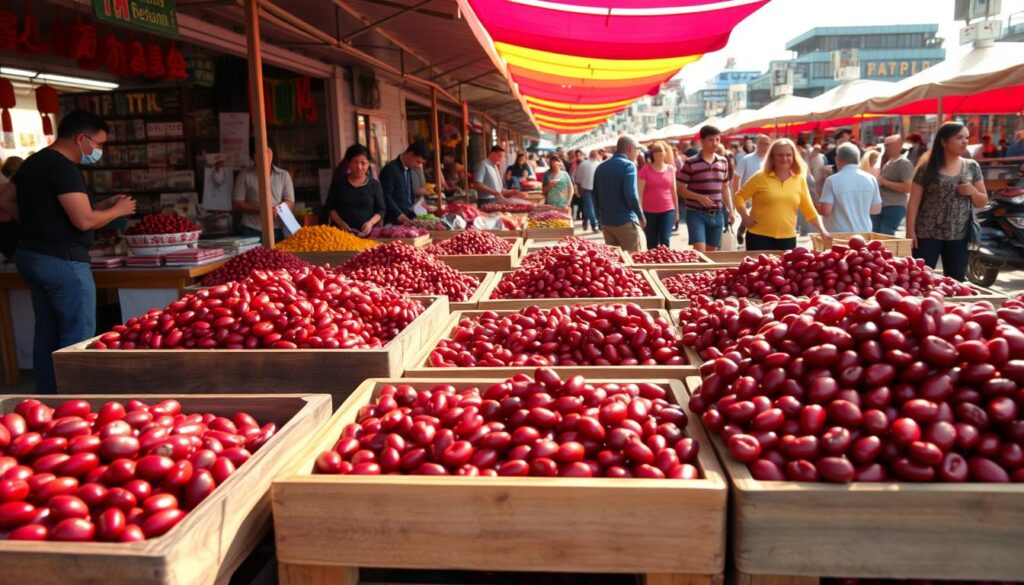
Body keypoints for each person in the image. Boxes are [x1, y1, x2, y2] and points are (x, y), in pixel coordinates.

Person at [0, 110, 136, 392]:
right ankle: (75, 400)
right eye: (98, 145)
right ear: (80, 138)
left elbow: (5, 200)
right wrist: (117, 210)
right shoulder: (63, 168)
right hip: (63, 261)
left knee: (47, 332)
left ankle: (48, 396)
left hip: (30, 255)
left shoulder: (32, 162)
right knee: (77, 335)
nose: (98, 151)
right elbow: (83, 220)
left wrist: (39, 223)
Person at [906, 121, 988, 282]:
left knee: (956, 282)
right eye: (959, 137)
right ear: (943, 142)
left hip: (959, 234)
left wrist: (972, 191)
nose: (965, 141)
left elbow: (982, 202)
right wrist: (910, 232)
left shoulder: (972, 167)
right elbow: (913, 203)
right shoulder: (927, 168)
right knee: (921, 279)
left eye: (966, 137)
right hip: (926, 233)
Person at [734, 138, 830, 251]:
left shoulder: (799, 179)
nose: (784, 158)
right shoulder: (760, 177)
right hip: (758, 237)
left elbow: (809, 209)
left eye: (788, 155)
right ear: (772, 157)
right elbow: (739, 196)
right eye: (780, 155)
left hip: (788, 239)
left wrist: (822, 229)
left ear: (793, 157)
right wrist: (744, 216)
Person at [678, 125, 734, 252]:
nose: (715, 143)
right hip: (696, 213)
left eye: (717, 140)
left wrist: (731, 210)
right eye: (711, 140)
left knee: (711, 254)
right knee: (700, 252)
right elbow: (680, 189)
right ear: (701, 142)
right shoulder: (690, 162)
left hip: (717, 214)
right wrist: (698, 197)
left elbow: (725, 188)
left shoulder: (723, 161)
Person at [233, 138, 295, 241]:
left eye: (267, 151)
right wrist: (262, 210)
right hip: (250, 229)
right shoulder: (244, 175)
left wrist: (276, 209)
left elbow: (290, 201)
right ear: (254, 156)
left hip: (276, 229)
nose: (265, 156)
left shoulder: (283, 175)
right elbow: (237, 203)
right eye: (260, 152)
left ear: (272, 153)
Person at [593, 136, 646, 252]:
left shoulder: (601, 167)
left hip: (607, 222)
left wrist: (600, 216)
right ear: (630, 148)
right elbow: (631, 195)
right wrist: (641, 216)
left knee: (615, 263)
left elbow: (595, 195)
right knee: (634, 261)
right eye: (637, 150)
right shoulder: (628, 166)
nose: (637, 154)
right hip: (625, 221)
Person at [817, 143, 881, 234]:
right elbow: (876, 210)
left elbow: (826, 211)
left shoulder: (832, 180)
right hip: (864, 233)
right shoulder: (871, 179)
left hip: (838, 234)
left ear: (838, 159)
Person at [326, 144, 385, 236]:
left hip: (368, 235)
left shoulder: (375, 185)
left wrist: (370, 223)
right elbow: (330, 208)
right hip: (341, 235)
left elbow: (381, 210)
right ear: (349, 162)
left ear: (368, 163)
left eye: (363, 163)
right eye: (355, 162)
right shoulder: (339, 183)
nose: (359, 167)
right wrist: (341, 223)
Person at [867, 134, 914, 235]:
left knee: (885, 236)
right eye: (885, 145)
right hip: (882, 205)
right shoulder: (889, 162)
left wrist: (884, 182)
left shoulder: (904, 163)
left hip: (894, 206)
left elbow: (908, 187)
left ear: (899, 145)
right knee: (876, 235)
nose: (886, 148)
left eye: (889, 145)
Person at [638, 141, 678, 249]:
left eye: (660, 151)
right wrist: (640, 213)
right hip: (649, 211)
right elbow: (640, 192)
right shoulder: (645, 170)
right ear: (652, 154)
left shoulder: (670, 169)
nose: (658, 154)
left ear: (665, 153)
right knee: (651, 243)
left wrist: (677, 212)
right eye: (655, 152)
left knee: (665, 240)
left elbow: (674, 191)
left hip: (667, 210)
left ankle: (665, 264)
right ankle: (653, 265)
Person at [732, 134, 771, 245]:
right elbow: (736, 178)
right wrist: (737, 195)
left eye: (767, 143)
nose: (765, 146)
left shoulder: (771, 161)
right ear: (757, 144)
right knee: (749, 217)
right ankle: (743, 232)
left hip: (765, 197)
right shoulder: (746, 159)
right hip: (747, 196)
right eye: (762, 143)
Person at [380, 141, 429, 224]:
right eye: (418, 161)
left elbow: (408, 195)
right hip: (393, 221)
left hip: (407, 218)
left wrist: (417, 207)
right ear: (410, 154)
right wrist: (399, 215)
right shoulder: (390, 169)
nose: (419, 166)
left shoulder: (408, 169)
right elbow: (385, 196)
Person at [573, 150, 601, 231]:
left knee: (588, 206)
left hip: (586, 188)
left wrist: (579, 187)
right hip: (597, 189)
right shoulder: (599, 164)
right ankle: (597, 224)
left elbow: (577, 178)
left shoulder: (583, 164)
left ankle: (592, 224)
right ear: (596, 156)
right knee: (595, 207)